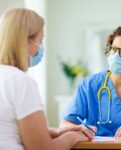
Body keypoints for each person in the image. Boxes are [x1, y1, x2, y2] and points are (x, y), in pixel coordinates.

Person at [0, 8, 96, 150]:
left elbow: (9, 128)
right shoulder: (21, 82)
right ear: (26, 41)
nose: (40, 49)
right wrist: (73, 137)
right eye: (41, 41)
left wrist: (55, 132)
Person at [61, 25, 121, 141]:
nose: (115, 56)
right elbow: (65, 123)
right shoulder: (89, 85)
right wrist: (79, 129)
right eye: (113, 49)